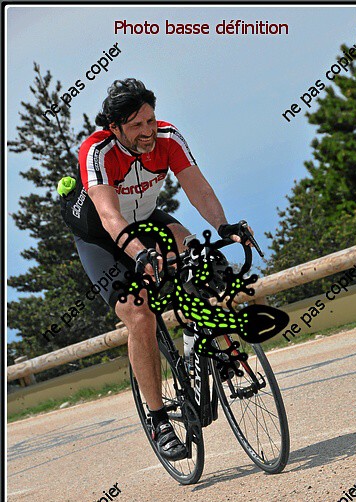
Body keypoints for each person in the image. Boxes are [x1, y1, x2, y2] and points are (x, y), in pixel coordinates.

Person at [62, 78, 252, 461]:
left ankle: (214, 345)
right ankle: (159, 419)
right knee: (139, 314)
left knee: (198, 260)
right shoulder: (97, 150)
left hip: (147, 218)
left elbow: (198, 189)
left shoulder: (168, 137)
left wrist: (223, 226)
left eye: (150, 120)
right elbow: (109, 216)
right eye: (136, 125)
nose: (147, 131)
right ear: (114, 127)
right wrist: (139, 254)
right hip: (100, 236)